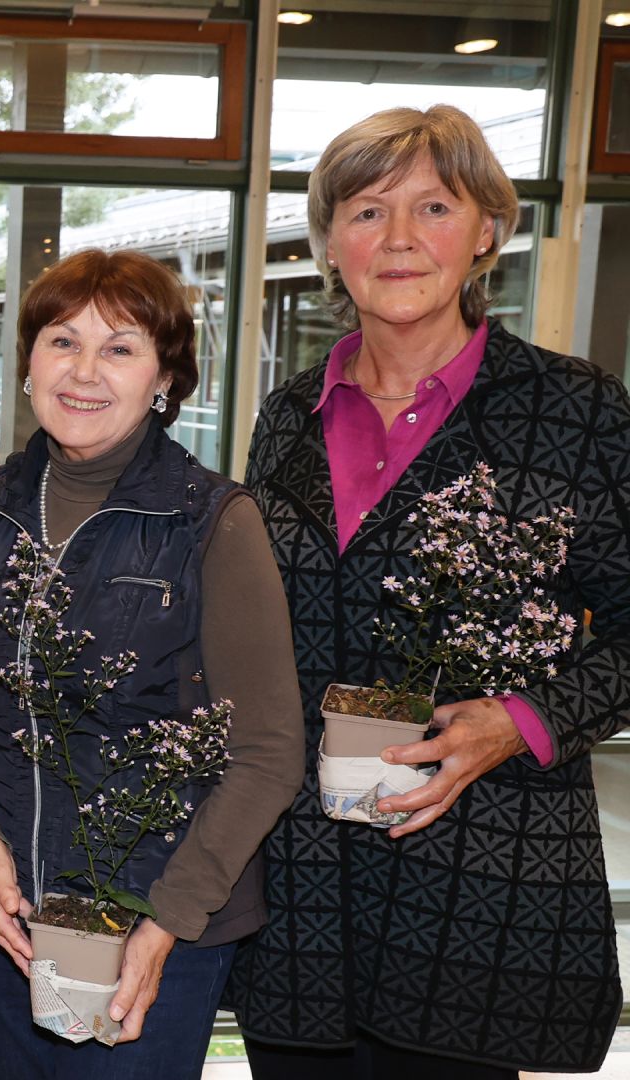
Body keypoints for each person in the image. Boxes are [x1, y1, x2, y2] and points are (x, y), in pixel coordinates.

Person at [225, 105, 630, 1078]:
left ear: (488, 228)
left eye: (434, 207)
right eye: (366, 212)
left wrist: (520, 720)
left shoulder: (577, 412)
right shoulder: (287, 417)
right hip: (301, 905)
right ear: (329, 242)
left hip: (477, 902)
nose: (398, 239)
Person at [0, 248, 302, 1078]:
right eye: (62, 341)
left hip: (152, 924)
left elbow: (267, 754)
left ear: (164, 377)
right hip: (4, 917)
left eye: (119, 347)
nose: (84, 370)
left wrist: (166, 922)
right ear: (29, 364)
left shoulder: (216, 523)